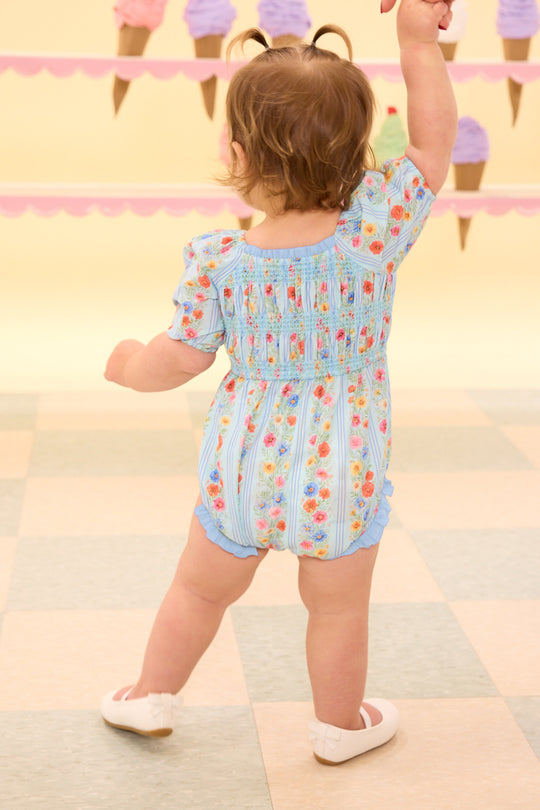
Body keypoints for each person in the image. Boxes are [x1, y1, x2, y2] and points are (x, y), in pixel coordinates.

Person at [101, 0, 457, 765]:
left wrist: (131, 366)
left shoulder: (220, 263)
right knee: (336, 609)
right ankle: (339, 726)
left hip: (242, 468)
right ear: (358, 151)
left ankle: (150, 695)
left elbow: (181, 357)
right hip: (342, 467)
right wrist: (414, 38)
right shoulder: (373, 232)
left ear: (235, 149)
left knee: (198, 591)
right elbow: (432, 145)